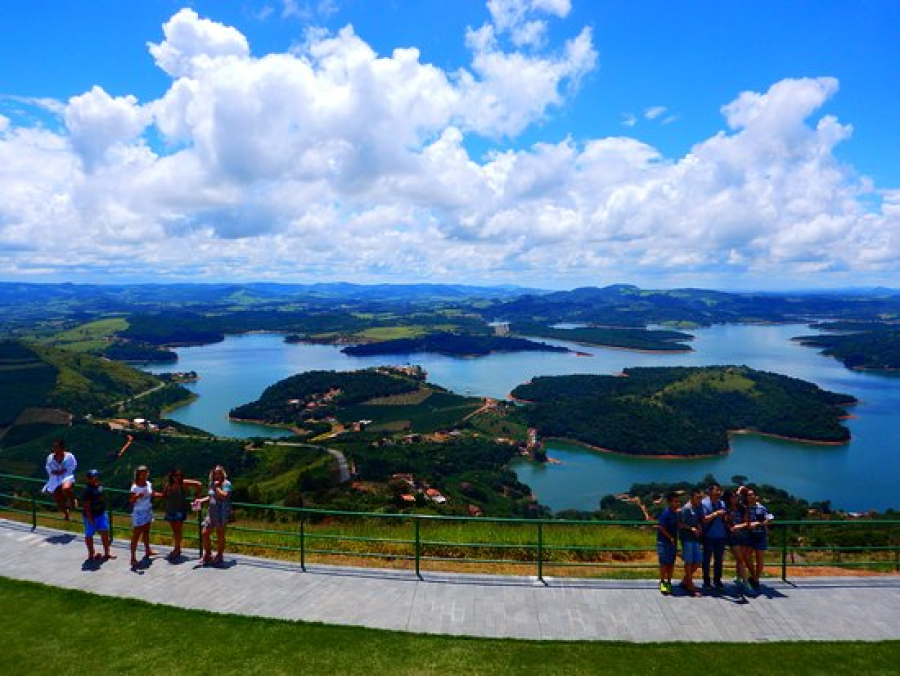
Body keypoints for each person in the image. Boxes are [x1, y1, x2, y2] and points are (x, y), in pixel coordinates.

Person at [160, 467, 202, 560]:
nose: (177, 477)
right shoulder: (168, 485)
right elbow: (163, 495)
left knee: (178, 530)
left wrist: (197, 497)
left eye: (179, 475)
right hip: (170, 510)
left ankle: (177, 549)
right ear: (172, 476)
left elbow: (198, 484)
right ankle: (177, 548)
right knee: (175, 531)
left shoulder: (183, 483)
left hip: (179, 510)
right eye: (176, 475)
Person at [194, 465, 232, 566]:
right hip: (211, 512)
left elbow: (225, 495)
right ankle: (208, 554)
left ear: (223, 474)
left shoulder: (227, 483)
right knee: (205, 533)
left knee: (220, 534)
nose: (217, 475)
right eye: (215, 473)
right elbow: (210, 496)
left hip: (221, 512)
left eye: (219, 473)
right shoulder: (211, 483)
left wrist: (217, 487)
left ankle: (219, 555)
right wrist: (200, 500)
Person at [81, 469, 115, 561]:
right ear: (89, 479)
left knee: (105, 532)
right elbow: (86, 506)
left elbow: (102, 497)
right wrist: (90, 518)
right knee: (89, 535)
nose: (96, 478)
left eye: (97, 476)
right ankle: (91, 554)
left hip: (101, 513)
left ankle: (107, 553)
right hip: (91, 516)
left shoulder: (99, 486)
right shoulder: (87, 490)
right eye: (94, 477)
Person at [701, 482, 728, 590]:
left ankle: (717, 580)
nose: (718, 492)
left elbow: (724, 518)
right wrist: (716, 514)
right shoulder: (704, 503)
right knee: (706, 559)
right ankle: (706, 581)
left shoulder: (722, 503)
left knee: (719, 560)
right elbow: (703, 519)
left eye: (719, 490)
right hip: (708, 536)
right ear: (710, 491)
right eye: (716, 490)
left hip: (721, 536)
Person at [724, 489, 753, 594]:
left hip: (743, 536)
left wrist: (738, 526)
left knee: (740, 560)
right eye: (733, 497)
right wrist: (730, 527)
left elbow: (747, 523)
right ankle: (746, 583)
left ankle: (738, 579)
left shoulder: (742, 508)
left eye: (736, 496)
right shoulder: (726, 509)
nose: (735, 498)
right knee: (740, 559)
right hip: (733, 537)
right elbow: (725, 522)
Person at [129, 465, 157, 568]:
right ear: (138, 475)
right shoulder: (135, 487)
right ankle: (132, 557)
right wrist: (136, 496)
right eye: (142, 473)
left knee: (146, 532)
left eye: (146, 473)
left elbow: (152, 493)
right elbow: (131, 501)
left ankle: (147, 550)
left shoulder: (148, 484)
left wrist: (163, 495)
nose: (144, 475)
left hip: (148, 511)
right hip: (139, 512)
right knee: (136, 535)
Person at [43, 438, 77, 520]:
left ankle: (73, 499)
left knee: (66, 488)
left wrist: (64, 470)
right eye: (54, 446)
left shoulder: (69, 456)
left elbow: (74, 465)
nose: (54, 448)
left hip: (66, 476)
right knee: (58, 499)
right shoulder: (50, 457)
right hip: (55, 478)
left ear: (62, 447)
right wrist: (53, 472)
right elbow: (47, 467)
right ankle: (66, 514)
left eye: (56, 446)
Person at [678, 489, 704, 596]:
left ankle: (686, 580)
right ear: (692, 497)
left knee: (697, 561)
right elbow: (680, 524)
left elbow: (697, 520)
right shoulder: (686, 509)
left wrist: (698, 527)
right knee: (689, 562)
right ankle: (689, 585)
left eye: (701, 498)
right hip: (687, 538)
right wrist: (691, 528)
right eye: (698, 498)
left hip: (695, 539)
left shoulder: (697, 508)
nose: (700, 500)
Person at [746, 488, 772, 592]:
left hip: (760, 535)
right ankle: (753, 575)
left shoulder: (762, 508)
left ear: (755, 496)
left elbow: (769, 520)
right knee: (747, 555)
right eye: (748, 495)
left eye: (752, 494)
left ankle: (756, 579)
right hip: (750, 535)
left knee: (759, 558)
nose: (750, 496)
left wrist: (759, 523)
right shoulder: (746, 508)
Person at [656, 492, 680, 595]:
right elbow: (661, 527)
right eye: (675, 501)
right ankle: (662, 582)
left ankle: (669, 582)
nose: (677, 503)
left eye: (678, 501)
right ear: (670, 502)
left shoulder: (676, 513)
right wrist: (669, 537)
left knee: (671, 564)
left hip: (673, 542)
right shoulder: (665, 513)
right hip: (664, 542)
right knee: (664, 564)